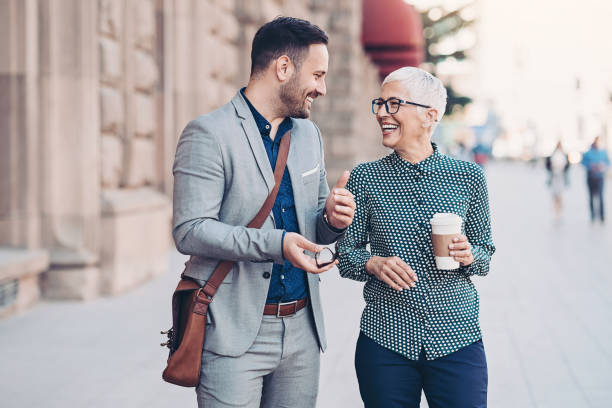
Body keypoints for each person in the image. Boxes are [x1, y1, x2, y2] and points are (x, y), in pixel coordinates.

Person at [172, 17, 355, 408]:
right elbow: (190, 230)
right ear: (283, 68)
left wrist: (332, 219)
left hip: (304, 331)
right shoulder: (208, 133)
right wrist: (277, 243)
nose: (322, 89)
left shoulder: (309, 134)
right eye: (318, 74)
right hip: (234, 334)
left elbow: (316, 228)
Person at [337, 67, 495, 408]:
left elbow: (486, 252)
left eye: (393, 104)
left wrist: (471, 255)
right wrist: (372, 262)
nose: (381, 113)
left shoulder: (469, 176)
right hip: (385, 339)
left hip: (457, 335)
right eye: (379, 103)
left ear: (430, 115)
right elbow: (345, 253)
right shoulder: (365, 178)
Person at [581, 136, 610, 223]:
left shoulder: (603, 152)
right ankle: (592, 215)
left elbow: (608, 162)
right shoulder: (588, 152)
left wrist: (603, 166)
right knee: (591, 197)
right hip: (591, 177)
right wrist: (590, 165)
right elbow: (583, 162)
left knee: (601, 196)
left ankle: (602, 215)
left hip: (600, 177)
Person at [545, 141, 570, 221]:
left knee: (560, 194)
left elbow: (567, 166)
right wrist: (552, 166)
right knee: (554, 194)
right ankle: (556, 209)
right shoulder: (553, 155)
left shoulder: (564, 155)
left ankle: (559, 209)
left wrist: (563, 167)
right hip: (554, 177)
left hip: (561, 177)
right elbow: (548, 165)